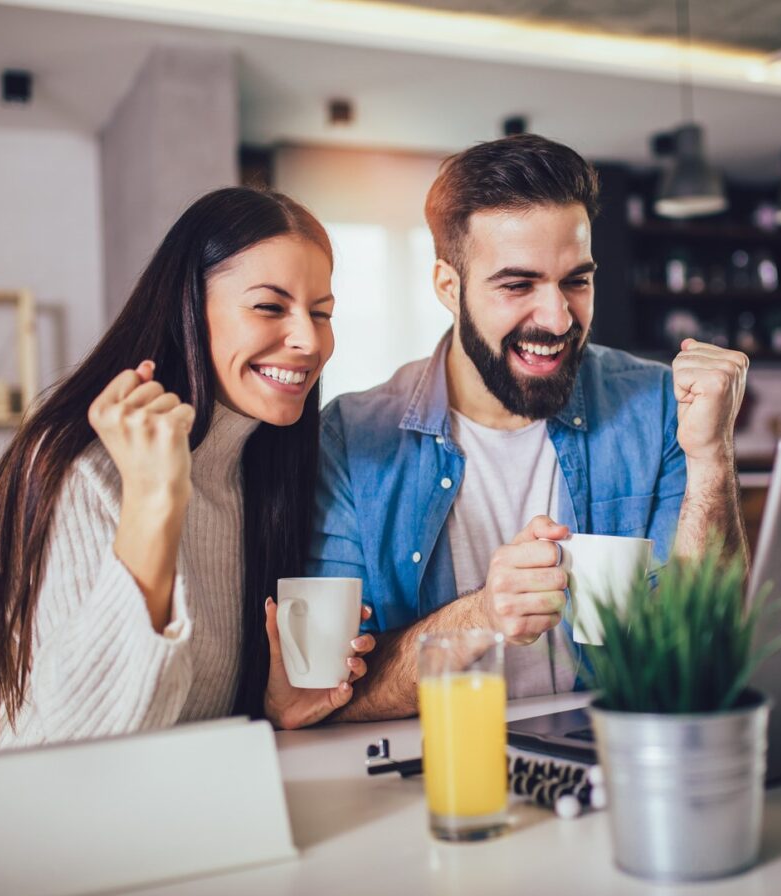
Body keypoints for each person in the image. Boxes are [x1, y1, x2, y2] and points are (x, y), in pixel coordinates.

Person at [308, 134, 748, 719]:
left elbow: (702, 646)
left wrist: (711, 457)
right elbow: (330, 692)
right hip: (434, 776)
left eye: (576, 281)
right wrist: (481, 616)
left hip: (610, 759)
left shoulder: (656, 405)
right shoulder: (350, 438)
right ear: (448, 287)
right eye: (518, 285)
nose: (558, 317)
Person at [0, 187, 375, 755]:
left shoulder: (259, 472)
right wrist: (154, 499)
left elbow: (185, 723)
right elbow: (83, 749)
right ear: (188, 308)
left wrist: (269, 708)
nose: (308, 339)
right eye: (270, 306)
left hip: (160, 813)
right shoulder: (84, 466)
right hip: (13, 824)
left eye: (321, 313)